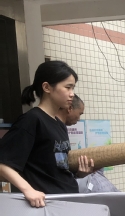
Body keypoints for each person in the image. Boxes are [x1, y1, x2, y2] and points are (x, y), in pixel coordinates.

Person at [0, 61, 93, 208]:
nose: (72, 94)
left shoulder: (59, 124)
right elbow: (3, 164)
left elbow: (54, 169)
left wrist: (79, 174)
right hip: (47, 207)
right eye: (68, 87)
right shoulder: (31, 120)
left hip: (67, 202)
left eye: (73, 88)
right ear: (47, 87)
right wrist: (28, 190)